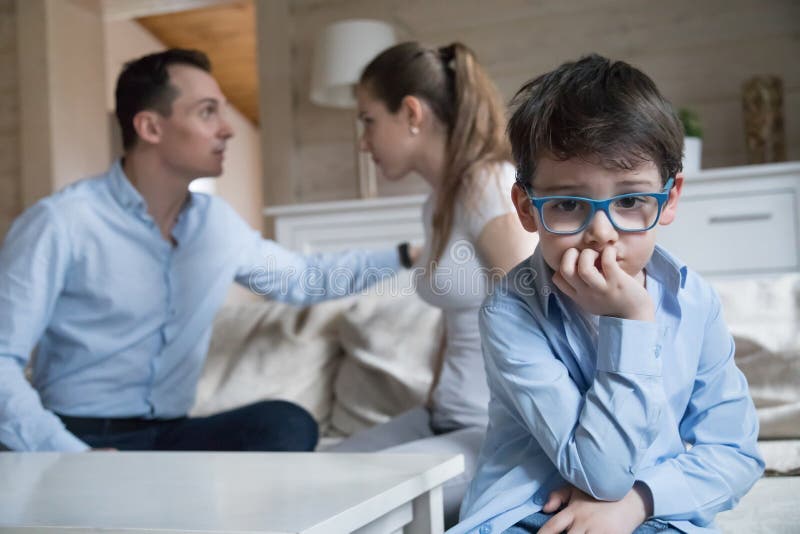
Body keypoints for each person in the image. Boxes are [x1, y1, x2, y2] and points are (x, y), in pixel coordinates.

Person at [0, 49, 407, 453]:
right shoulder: (61, 222)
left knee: (285, 423)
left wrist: (410, 254)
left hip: (170, 437)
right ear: (150, 127)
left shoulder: (216, 224)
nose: (227, 129)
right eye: (208, 112)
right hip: (78, 433)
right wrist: (69, 456)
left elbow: (306, 279)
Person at [451, 54, 765, 534]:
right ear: (527, 209)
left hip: (655, 512)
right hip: (527, 514)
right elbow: (599, 473)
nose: (601, 232)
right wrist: (633, 321)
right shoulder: (510, 310)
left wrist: (639, 501)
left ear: (670, 198)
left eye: (630, 200)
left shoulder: (694, 302)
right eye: (569, 203)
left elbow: (736, 453)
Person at [329, 42, 538, 526]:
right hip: (444, 415)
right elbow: (458, 314)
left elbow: (543, 318)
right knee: (312, 478)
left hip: (492, 434)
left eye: (367, 120)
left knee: (343, 502)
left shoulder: (489, 186)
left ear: (411, 113)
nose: (364, 141)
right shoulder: (438, 204)